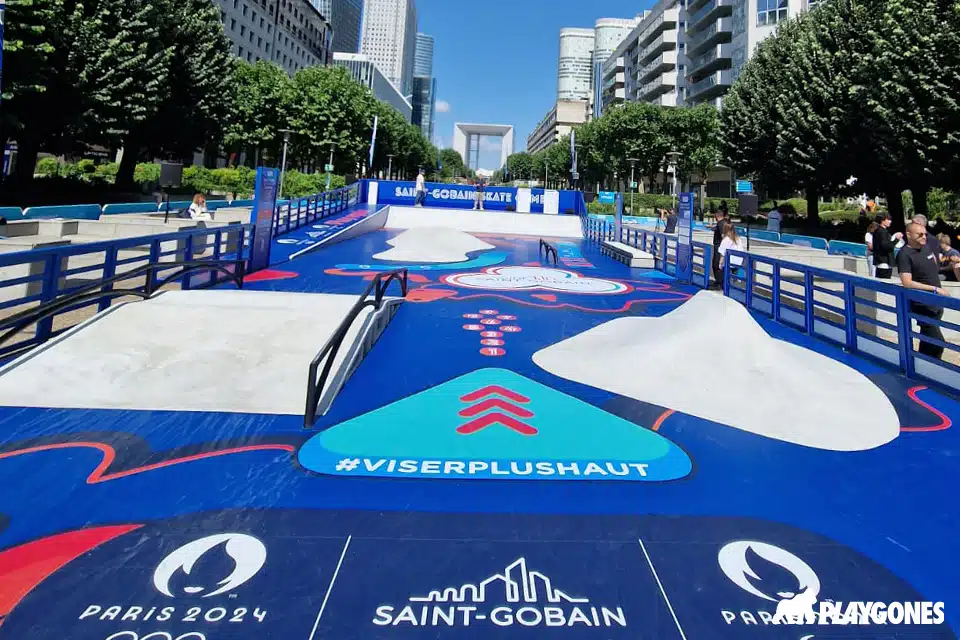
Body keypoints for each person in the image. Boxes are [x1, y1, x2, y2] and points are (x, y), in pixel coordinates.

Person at [898, 222, 950, 360]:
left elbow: (932, 271)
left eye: (925, 234)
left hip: (936, 305)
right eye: (919, 234)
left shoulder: (926, 249)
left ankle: (920, 367)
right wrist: (934, 289)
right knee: (937, 343)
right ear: (908, 235)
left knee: (927, 341)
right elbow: (906, 282)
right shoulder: (904, 254)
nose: (924, 237)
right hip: (922, 305)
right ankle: (928, 369)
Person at [872, 214, 901, 279]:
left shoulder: (878, 230)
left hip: (880, 261)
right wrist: (897, 239)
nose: (890, 221)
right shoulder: (882, 231)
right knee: (884, 282)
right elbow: (886, 246)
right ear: (882, 221)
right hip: (884, 262)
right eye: (888, 219)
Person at [711, 208, 728, 288]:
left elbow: (723, 234)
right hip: (719, 246)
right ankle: (719, 281)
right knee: (717, 264)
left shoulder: (721, 223)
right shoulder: (724, 222)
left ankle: (719, 282)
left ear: (717, 215)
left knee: (716, 264)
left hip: (719, 246)